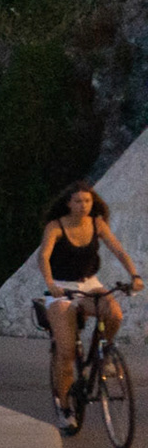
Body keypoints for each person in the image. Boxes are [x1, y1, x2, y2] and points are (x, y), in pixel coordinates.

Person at [39, 180, 142, 428]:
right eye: (78, 201)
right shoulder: (56, 226)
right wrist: (51, 282)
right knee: (66, 352)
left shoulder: (97, 223)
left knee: (114, 313)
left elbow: (118, 251)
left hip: (89, 285)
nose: (84, 206)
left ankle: (103, 354)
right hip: (63, 289)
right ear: (68, 203)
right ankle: (65, 409)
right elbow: (43, 256)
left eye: (87, 201)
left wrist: (134, 276)